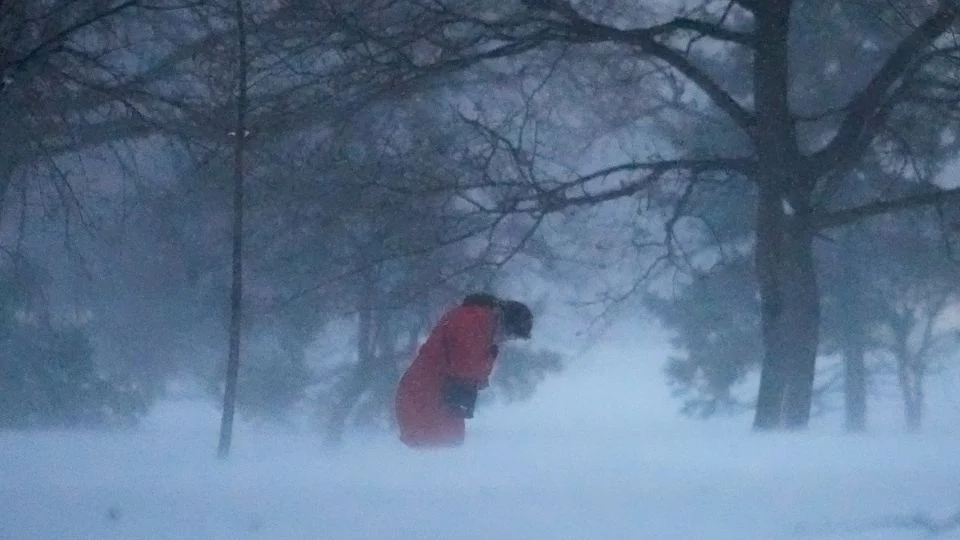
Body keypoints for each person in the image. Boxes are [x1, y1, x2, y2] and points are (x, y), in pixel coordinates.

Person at [394, 293, 533, 448]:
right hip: (424, 397)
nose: (505, 340)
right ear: (504, 321)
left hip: (436, 397)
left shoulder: (477, 323)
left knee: (446, 449)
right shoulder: (472, 322)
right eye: (509, 335)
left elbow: (472, 375)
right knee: (436, 451)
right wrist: (492, 353)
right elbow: (467, 368)